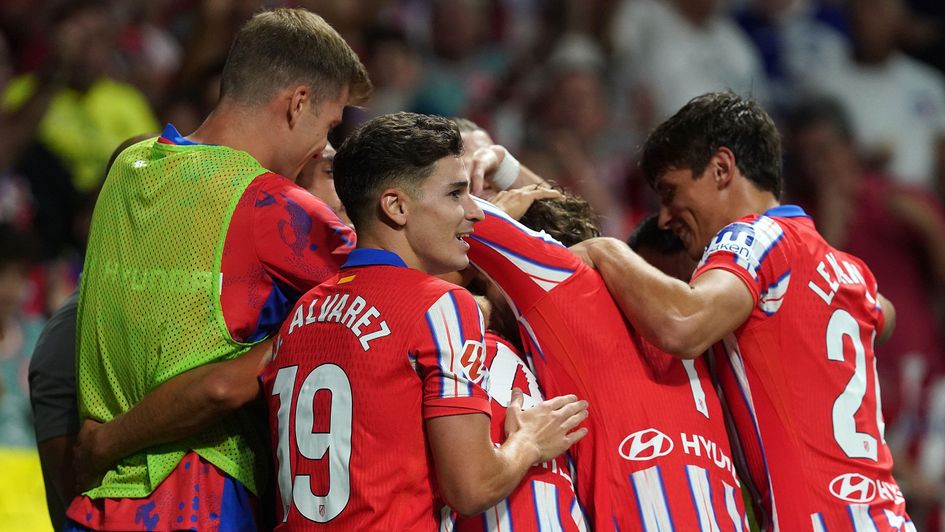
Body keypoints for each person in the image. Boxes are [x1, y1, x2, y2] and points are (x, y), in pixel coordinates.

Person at [68, 8, 370, 531]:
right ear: (298, 103)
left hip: (96, 506)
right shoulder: (274, 206)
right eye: (330, 124)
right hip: (196, 503)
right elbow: (396, 293)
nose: (323, 147)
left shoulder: (127, 166)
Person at [571, 91, 913, 529]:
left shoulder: (753, 237)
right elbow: (885, 315)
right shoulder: (844, 266)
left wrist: (607, 250)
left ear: (721, 169)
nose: (664, 218)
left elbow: (683, 324)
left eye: (672, 193)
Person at [259, 111, 588, 529]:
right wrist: (529, 442)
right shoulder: (442, 306)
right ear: (396, 206)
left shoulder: (301, 314)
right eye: (455, 195)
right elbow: (471, 488)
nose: (476, 213)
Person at [463, 184, 749, 528]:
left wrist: (501, 208)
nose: (485, 292)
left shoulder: (562, 281)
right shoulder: (681, 323)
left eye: (485, 280)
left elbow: (446, 208)